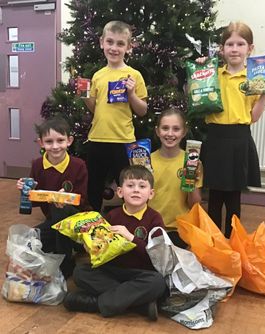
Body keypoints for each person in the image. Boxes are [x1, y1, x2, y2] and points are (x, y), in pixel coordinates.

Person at [196, 21, 265, 238]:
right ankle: (214, 244)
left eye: (240, 44)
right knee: (214, 196)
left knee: (233, 197)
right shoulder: (212, 74)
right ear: (221, 49)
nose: (234, 49)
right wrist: (199, 71)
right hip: (215, 139)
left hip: (240, 139)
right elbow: (197, 99)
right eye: (229, 44)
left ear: (249, 49)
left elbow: (254, 117)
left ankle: (234, 244)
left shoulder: (254, 79)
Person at [63, 165, 167, 321]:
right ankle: (140, 305)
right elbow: (102, 247)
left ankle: (95, 303)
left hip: (140, 273)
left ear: (151, 193)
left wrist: (131, 238)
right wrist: (91, 247)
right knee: (80, 273)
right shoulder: (112, 215)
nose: (136, 190)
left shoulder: (154, 218)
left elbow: (158, 256)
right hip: (112, 270)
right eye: (130, 186)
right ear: (120, 192)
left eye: (142, 186)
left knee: (158, 283)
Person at [83, 20, 148, 212]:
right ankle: (93, 225)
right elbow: (96, 109)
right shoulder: (97, 76)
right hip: (97, 138)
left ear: (129, 47)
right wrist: (84, 96)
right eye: (110, 42)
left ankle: (129, 223)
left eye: (120, 44)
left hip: (123, 140)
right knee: (94, 185)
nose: (114, 48)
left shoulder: (134, 75)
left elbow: (142, 110)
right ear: (102, 42)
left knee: (128, 186)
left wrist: (132, 94)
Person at [16, 117, 89, 278]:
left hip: (77, 218)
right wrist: (27, 191)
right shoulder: (37, 165)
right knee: (31, 242)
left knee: (58, 207)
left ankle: (66, 263)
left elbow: (82, 200)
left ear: (69, 141)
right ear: (41, 143)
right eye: (49, 141)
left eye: (60, 140)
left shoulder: (78, 165)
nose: (55, 146)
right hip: (53, 222)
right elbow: (33, 203)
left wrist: (65, 198)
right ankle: (72, 245)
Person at [148, 108, 202, 248]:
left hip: (178, 230)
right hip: (151, 227)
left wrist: (192, 184)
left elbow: (194, 205)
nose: (170, 134)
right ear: (157, 131)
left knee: (172, 264)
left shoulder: (192, 162)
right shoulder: (147, 162)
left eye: (176, 129)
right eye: (165, 128)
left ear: (184, 132)